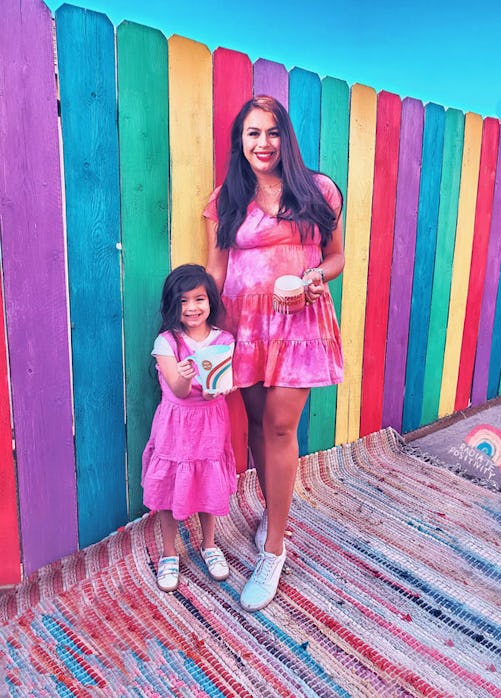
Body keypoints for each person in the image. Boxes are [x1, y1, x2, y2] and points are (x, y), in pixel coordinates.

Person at [204, 95, 344, 611]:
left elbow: (336, 257)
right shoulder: (228, 199)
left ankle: (274, 548)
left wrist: (312, 277)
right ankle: (273, 508)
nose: (263, 144)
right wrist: (200, 329)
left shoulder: (319, 191)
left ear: (286, 137)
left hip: (298, 322)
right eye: (252, 134)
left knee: (282, 427)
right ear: (240, 142)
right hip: (244, 325)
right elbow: (217, 271)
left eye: (272, 132)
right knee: (260, 427)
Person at [142, 263, 237, 592]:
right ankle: (169, 553)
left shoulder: (223, 339)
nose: (193, 308)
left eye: (199, 299)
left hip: (210, 422)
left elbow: (222, 382)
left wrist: (217, 389)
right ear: (173, 305)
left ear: (211, 300)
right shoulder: (167, 342)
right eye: (183, 301)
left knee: (208, 482)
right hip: (176, 424)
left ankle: (209, 544)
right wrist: (183, 376)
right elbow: (179, 390)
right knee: (171, 488)